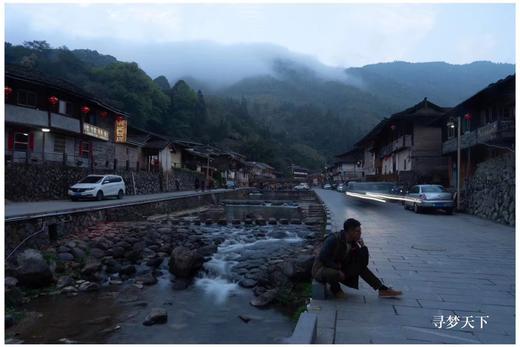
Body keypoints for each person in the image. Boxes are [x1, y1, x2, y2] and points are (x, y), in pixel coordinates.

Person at [312, 218, 402, 299]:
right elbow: (323, 257)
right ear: (350, 231)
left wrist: (363, 247)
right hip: (321, 269)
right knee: (334, 273)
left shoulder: (353, 243)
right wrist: (337, 268)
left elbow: (363, 263)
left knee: (360, 267)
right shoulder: (334, 239)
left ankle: (382, 289)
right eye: (357, 231)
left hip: (337, 267)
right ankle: (336, 290)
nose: (360, 233)